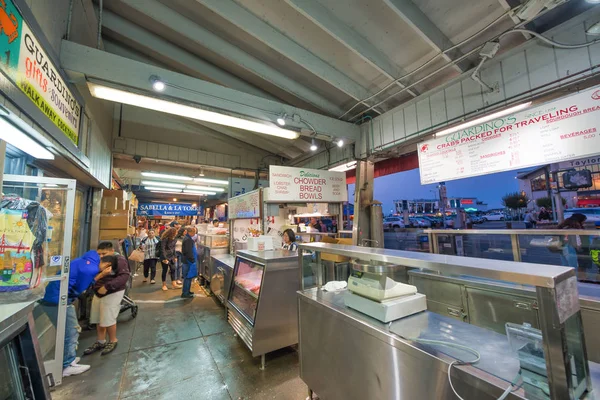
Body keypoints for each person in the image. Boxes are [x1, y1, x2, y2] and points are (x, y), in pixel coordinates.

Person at [40, 250, 100, 376]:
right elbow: (80, 288)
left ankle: (67, 359)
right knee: (71, 331)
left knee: (66, 331)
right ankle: (67, 365)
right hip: (59, 300)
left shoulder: (79, 261)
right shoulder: (91, 267)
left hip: (51, 297)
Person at [83, 254, 130, 356]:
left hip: (111, 293)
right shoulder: (98, 267)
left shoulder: (119, 261)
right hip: (98, 293)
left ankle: (113, 340)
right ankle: (101, 341)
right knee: (99, 318)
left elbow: (124, 276)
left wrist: (107, 287)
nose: (100, 257)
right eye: (99, 254)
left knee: (109, 318)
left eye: (103, 254)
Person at [181, 226, 198, 299]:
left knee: (188, 277)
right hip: (188, 262)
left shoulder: (186, 238)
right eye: (194, 232)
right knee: (188, 277)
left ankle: (187, 291)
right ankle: (185, 293)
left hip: (187, 260)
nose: (195, 234)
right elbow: (188, 251)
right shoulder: (188, 240)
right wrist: (192, 260)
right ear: (190, 232)